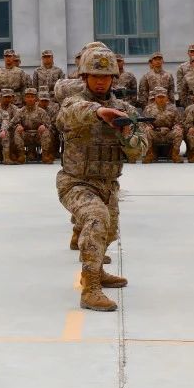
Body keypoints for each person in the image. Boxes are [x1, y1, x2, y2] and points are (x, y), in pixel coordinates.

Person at [55, 47, 146, 312]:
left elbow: (139, 150)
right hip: (75, 182)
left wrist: (127, 134)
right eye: (95, 75)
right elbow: (70, 115)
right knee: (96, 219)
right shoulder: (72, 102)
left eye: (105, 76)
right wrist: (100, 112)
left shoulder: (125, 110)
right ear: (84, 77)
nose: (100, 81)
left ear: (113, 78)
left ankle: (98, 272)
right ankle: (90, 289)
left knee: (109, 230)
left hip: (108, 184)